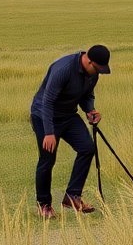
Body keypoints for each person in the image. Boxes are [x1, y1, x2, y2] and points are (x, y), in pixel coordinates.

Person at [30, 44, 110, 219]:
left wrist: (90, 110)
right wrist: (49, 132)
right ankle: (43, 205)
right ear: (88, 60)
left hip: (68, 115)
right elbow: (47, 101)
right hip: (44, 115)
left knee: (87, 148)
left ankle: (72, 197)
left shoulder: (93, 73)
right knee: (47, 159)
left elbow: (87, 95)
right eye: (97, 68)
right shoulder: (64, 69)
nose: (98, 73)